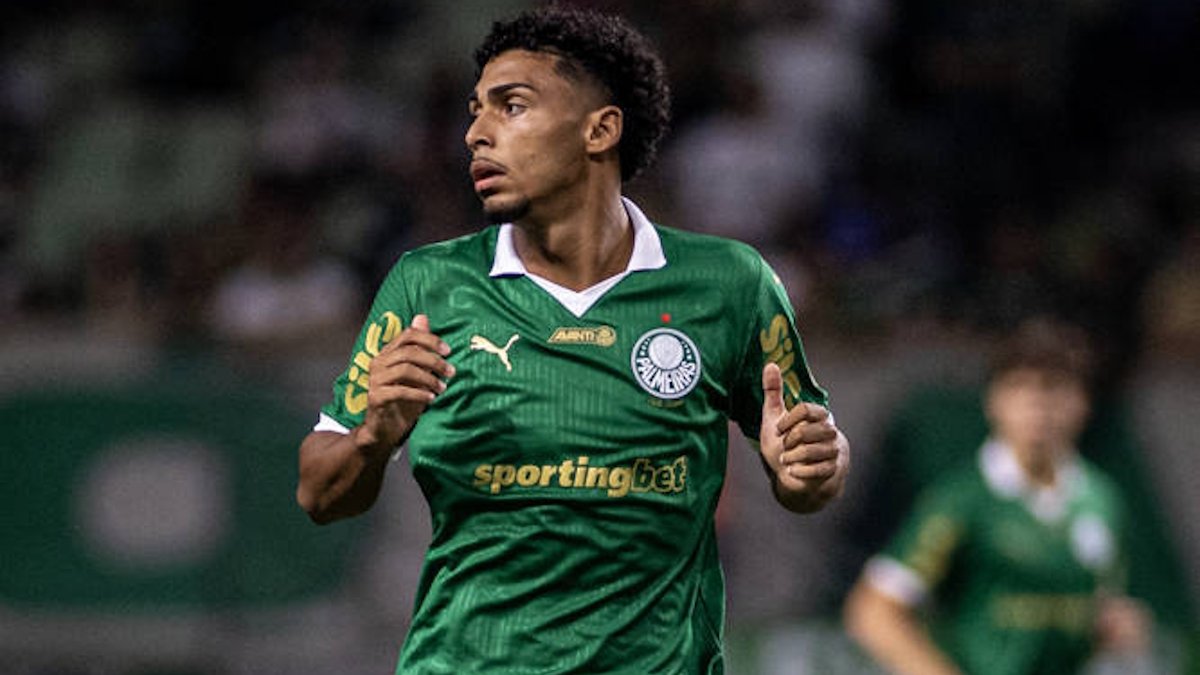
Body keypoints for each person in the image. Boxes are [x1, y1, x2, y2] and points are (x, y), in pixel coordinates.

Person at [295, 6, 849, 674]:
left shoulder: (729, 283)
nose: (475, 133)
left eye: (511, 106)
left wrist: (812, 466)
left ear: (600, 129)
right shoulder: (429, 286)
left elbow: (813, 463)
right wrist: (372, 437)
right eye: (475, 111)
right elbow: (319, 493)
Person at [843, 319, 1149, 675]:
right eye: (1020, 386)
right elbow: (873, 611)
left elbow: (1100, 605)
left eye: (1054, 388)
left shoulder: (1101, 499)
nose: (1038, 404)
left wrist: (1116, 626)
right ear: (993, 401)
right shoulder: (962, 500)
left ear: (1083, 403)